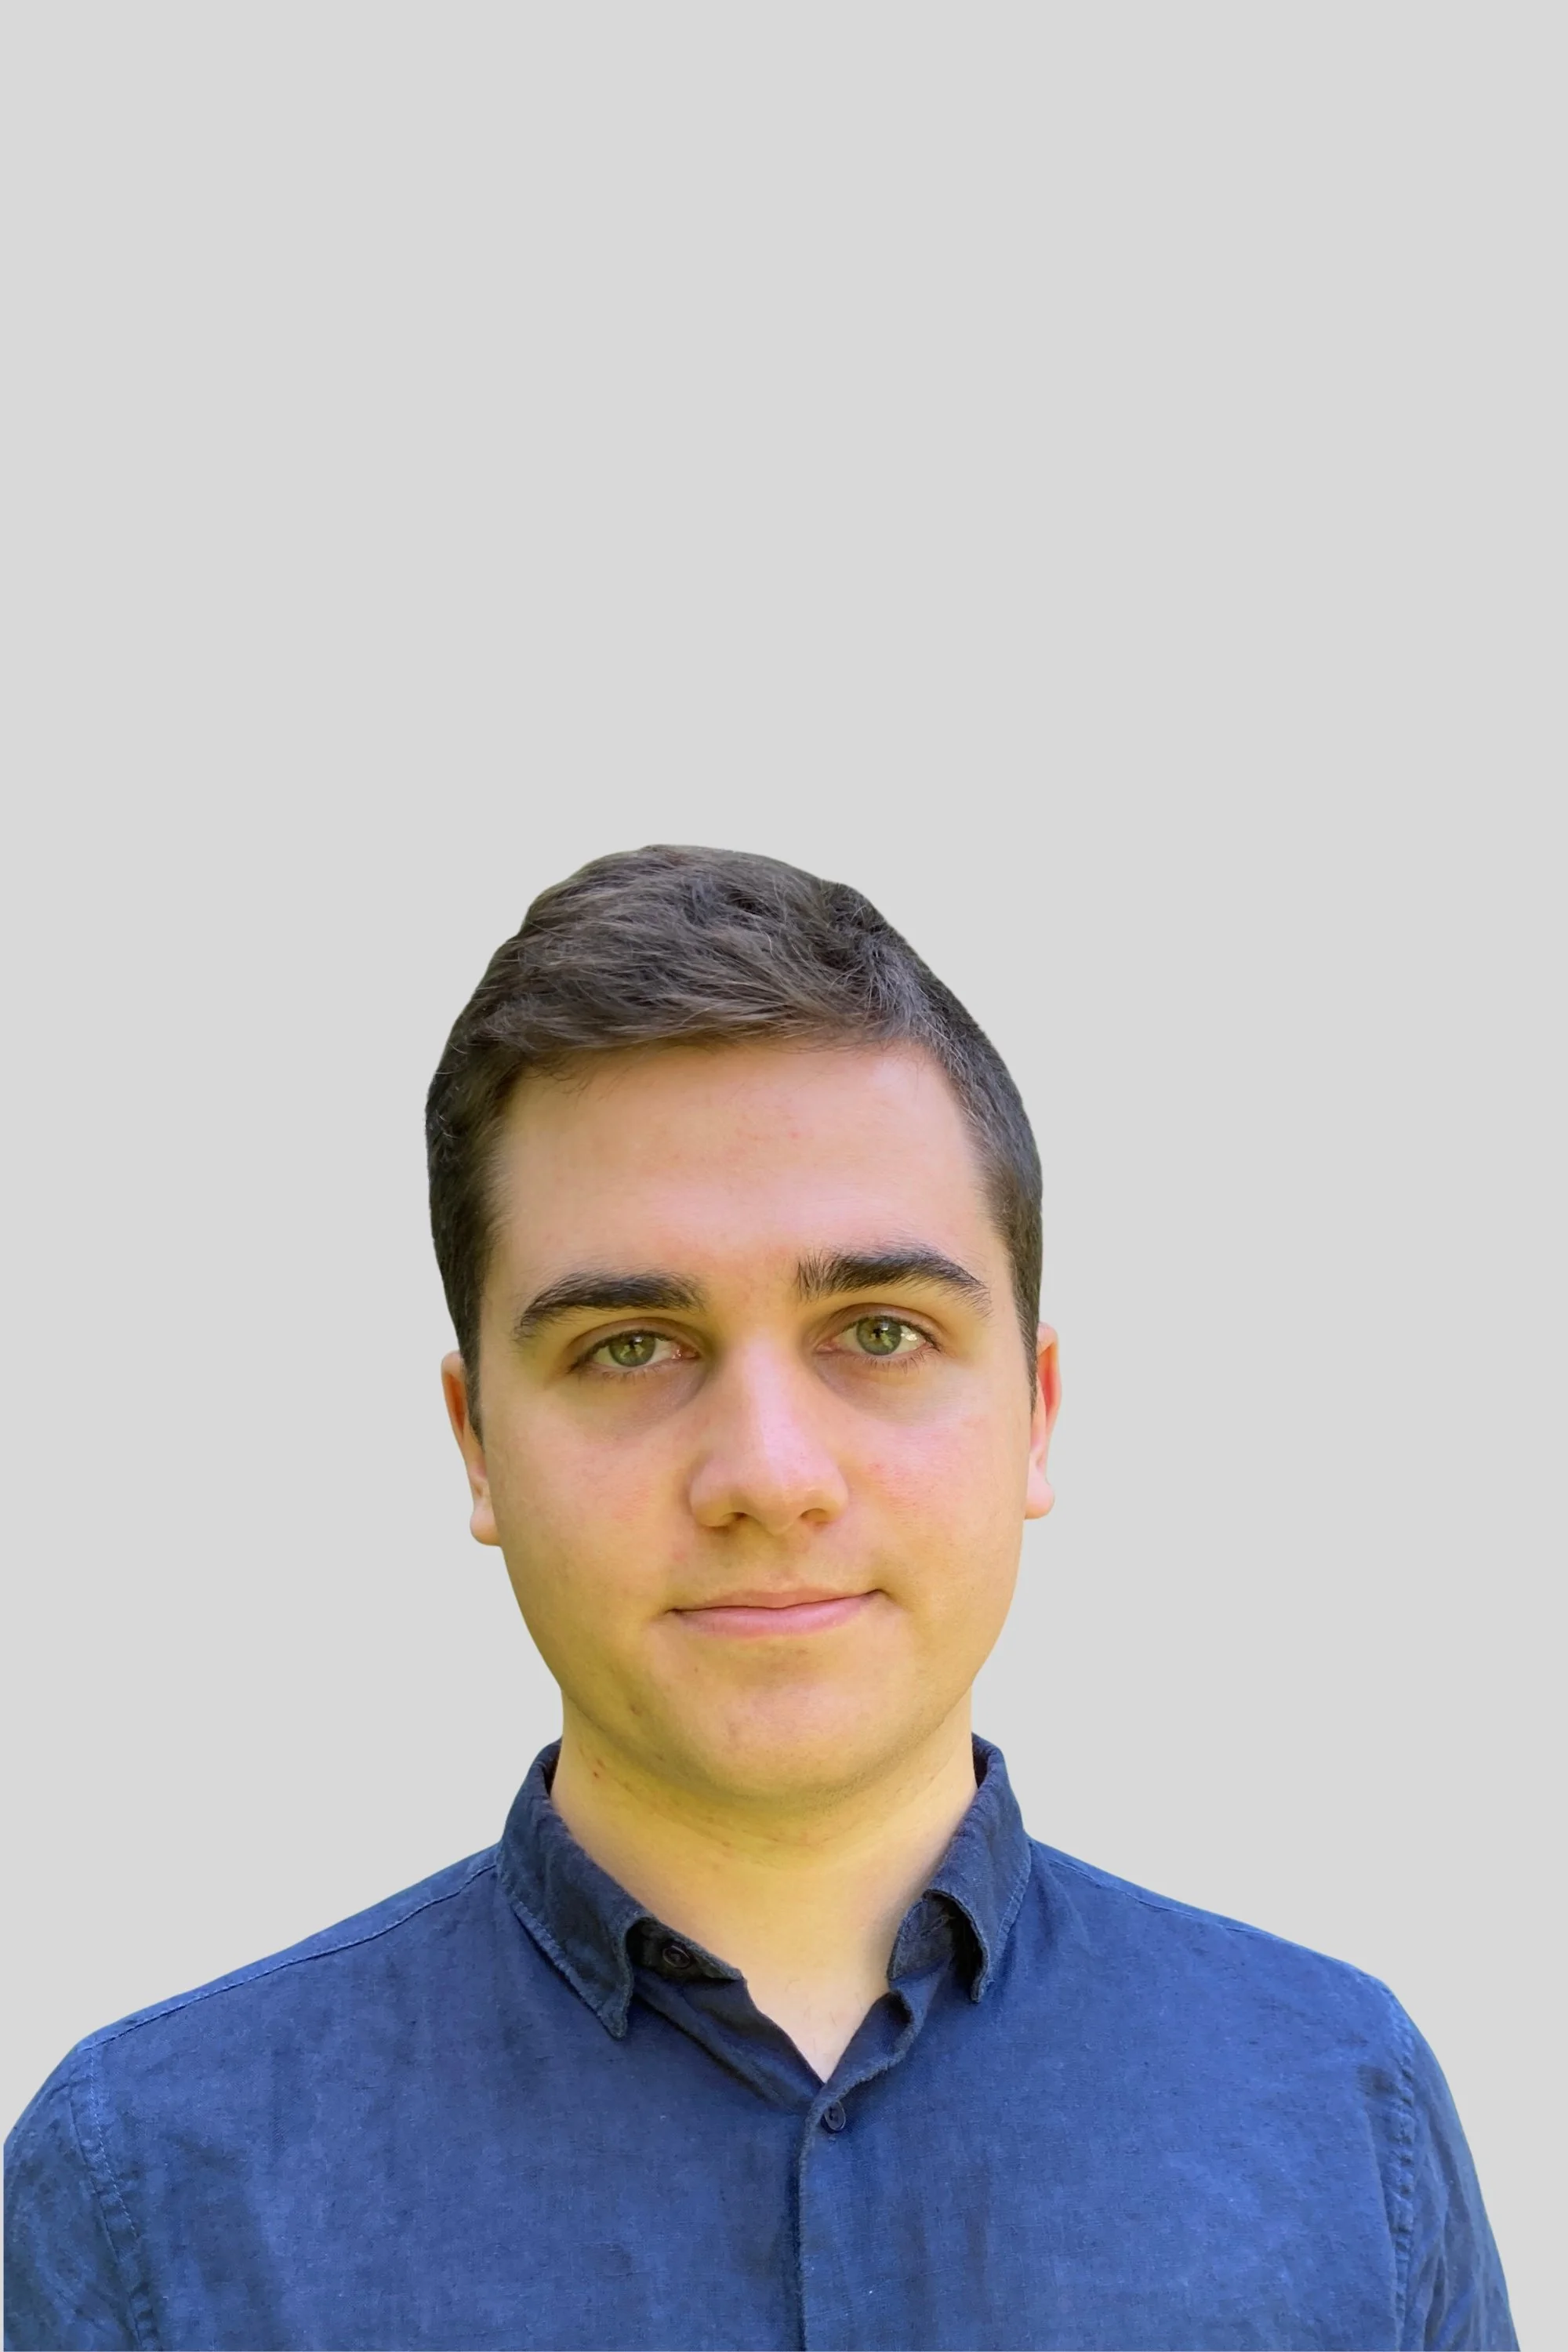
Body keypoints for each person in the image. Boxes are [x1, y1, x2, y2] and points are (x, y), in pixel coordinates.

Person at [4, 845, 1515, 2352]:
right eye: (630, 1347)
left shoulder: (1340, 2118)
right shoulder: (148, 2190)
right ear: (476, 1444)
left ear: (1038, 1412)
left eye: (878, 1329)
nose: (770, 1475)